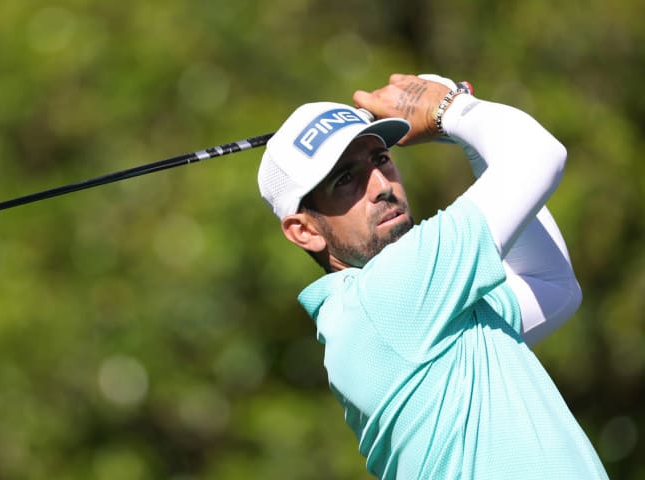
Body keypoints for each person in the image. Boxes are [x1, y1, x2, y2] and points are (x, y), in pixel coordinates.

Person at [257, 73, 608, 479]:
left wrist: (469, 137)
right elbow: (539, 154)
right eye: (346, 180)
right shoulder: (385, 298)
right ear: (306, 231)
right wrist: (451, 109)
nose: (380, 186)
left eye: (381, 159)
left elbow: (550, 286)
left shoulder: (421, 311)